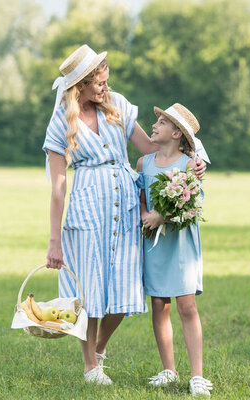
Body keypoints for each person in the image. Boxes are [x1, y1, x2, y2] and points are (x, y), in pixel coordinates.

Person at [42, 45, 206, 385]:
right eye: (99, 83)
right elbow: (58, 185)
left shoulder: (116, 103)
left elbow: (150, 147)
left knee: (125, 286)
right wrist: (54, 240)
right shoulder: (61, 120)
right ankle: (90, 367)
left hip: (127, 204)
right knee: (88, 290)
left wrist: (197, 154)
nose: (105, 87)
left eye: (105, 80)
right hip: (87, 208)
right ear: (81, 86)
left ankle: (98, 348)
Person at [136, 103, 213, 397]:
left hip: (180, 243)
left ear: (176, 132)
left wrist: (161, 216)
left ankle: (197, 375)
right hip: (154, 241)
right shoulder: (145, 163)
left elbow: (193, 205)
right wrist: (146, 214)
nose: (153, 125)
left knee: (187, 306)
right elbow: (141, 196)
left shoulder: (189, 165)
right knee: (159, 304)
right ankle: (169, 369)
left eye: (162, 122)